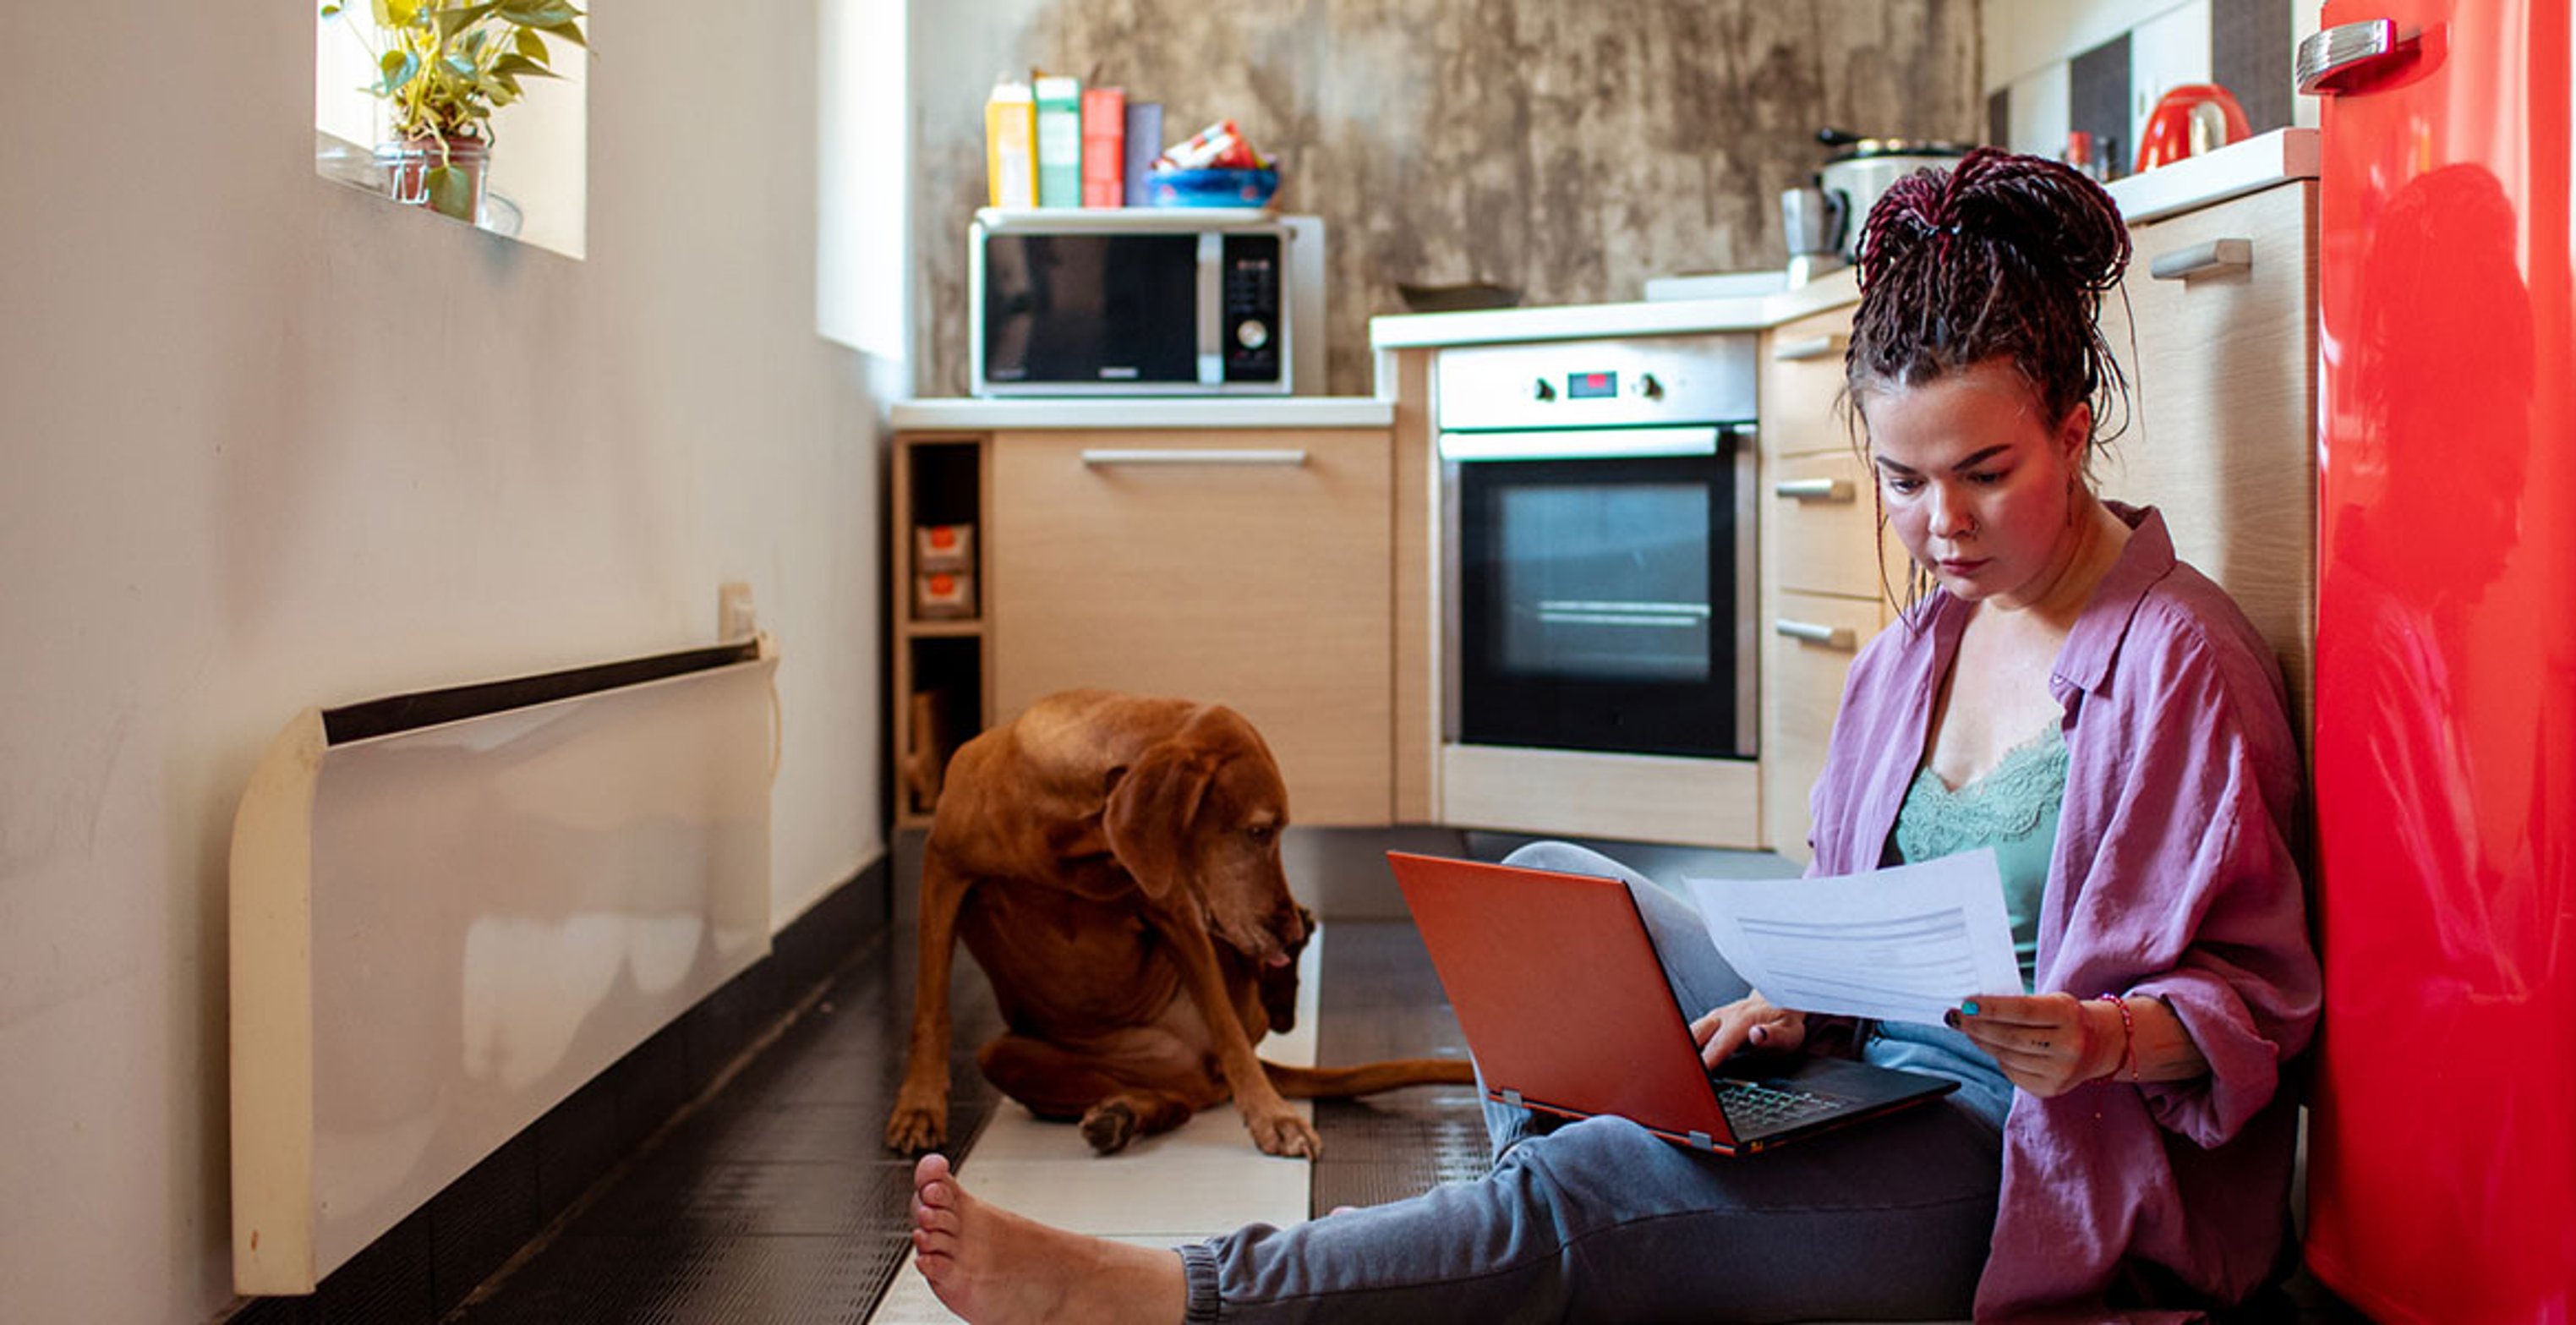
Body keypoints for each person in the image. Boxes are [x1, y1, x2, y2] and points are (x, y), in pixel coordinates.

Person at [904, 147, 2322, 1324]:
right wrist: (1793, 1003)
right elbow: (1852, 915)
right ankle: (1635, 1229)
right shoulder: (1920, 644)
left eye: (1985, 474)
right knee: (1550, 890)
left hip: (2021, 1142)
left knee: (1583, 1191)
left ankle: (1172, 1292)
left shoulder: (2182, 663)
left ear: (2076, 434)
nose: (1938, 526)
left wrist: (2102, 1039)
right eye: (1901, 479)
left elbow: (2259, 1007)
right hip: (1866, 1059)